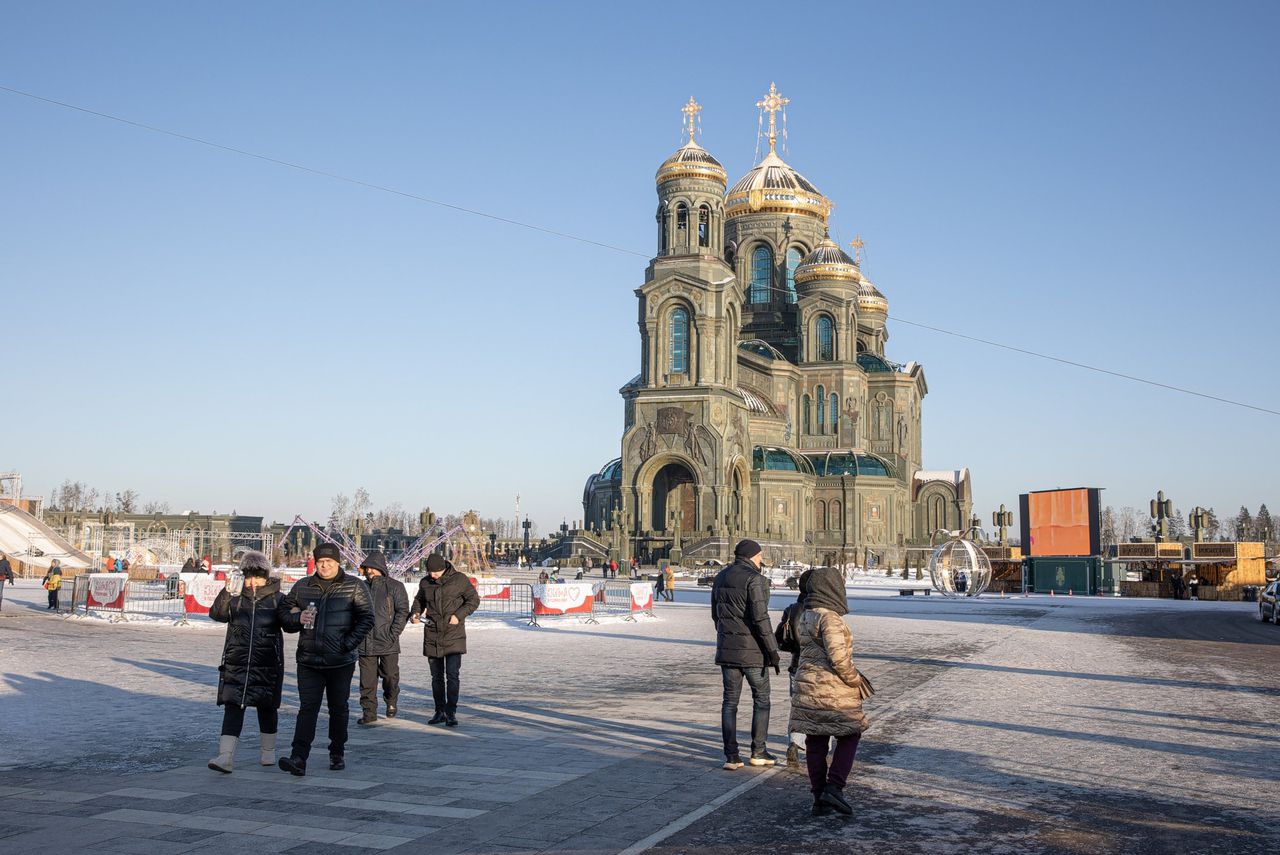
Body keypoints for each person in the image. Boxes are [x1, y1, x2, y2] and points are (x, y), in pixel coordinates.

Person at [277, 544, 374, 776]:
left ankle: (337, 750)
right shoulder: (303, 586)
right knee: (307, 709)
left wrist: (348, 644)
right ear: (315, 562)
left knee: (338, 708)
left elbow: (367, 618)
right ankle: (299, 757)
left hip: (340, 661)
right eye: (321, 561)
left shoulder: (354, 586)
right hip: (309, 660)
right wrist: (297, 618)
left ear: (338, 563)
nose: (325, 565)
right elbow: (283, 614)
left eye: (329, 561)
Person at [789, 566, 873, 817]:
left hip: (808, 684)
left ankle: (819, 797)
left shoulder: (807, 614)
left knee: (816, 740)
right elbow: (839, 659)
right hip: (831, 688)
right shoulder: (830, 618)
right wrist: (855, 679)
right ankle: (834, 787)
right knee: (850, 734)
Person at [207, 551, 295, 773]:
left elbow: (290, 624)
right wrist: (226, 592)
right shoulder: (235, 598)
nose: (253, 582)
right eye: (248, 576)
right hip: (237, 662)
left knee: (266, 708)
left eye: (257, 577)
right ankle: (225, 756)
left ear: (266, 577)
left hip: (267, 662)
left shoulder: (279, 599)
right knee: (233, 706)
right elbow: (217, 614)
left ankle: (268, 752)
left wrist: (299, 616)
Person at [711, 539, 780, 770]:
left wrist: (727, 637)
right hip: (753, 653)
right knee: (761, 700)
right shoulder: (755, 579)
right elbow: (761, 618)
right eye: (760, 555)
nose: (762, 560)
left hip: (727, 650)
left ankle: (731, 756)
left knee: (729, 702)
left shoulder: (720, 577)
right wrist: (772, 650)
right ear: (752, 556)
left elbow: (715, 616)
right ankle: (758, 751)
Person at [409, 555, 481, 726]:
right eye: (430, 572)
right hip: (432, 633)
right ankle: (439, 711)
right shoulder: (425, 582)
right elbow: (419, 600)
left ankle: (451, 712)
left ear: (444, 568)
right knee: (436, 677)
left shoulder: (459, 580)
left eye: (436, 572)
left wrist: (458, 615)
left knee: (452, 675)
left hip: (453, 634)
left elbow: (473, 600)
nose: (432, 575)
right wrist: (415, 613)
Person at [357, 551, 410, 726]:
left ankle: (391, 700)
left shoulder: (395, 586)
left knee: (390, 676)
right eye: (367, 567)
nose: (369, 571)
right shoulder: (360, 587)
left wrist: (393, 633)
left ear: (381, 568)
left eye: (372, 567)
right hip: (365, 641)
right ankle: (369, 713)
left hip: (387, 640)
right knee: (367, 681)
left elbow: (402, 611)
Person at [775, 569, 812, 768]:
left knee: (798, 706)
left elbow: (781, 638)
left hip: (796, 665)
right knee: (822, 708)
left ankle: (794, 743)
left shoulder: (792, 608)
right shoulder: (823, 609)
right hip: (818, 667)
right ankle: (819, 749)